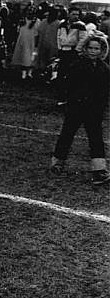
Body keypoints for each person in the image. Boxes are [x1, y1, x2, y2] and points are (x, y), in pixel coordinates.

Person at [50, 33, 110, 186]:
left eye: (96, 48)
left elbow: (104, 91)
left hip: (94, 109)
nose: (93, 51)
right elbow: (69, 85)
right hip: (76, 107)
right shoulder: (77, 64)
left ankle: (99, 169)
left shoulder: (104, 68)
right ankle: (57, 163)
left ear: (102, 50)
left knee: (95, 138)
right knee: (67, 134)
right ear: (85, 48)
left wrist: (100, 107)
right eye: (90, 48)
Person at [11, 11, 40, 79]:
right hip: (26, 41)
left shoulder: (36, 21)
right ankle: (25, 73)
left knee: (30, 56)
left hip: (30, 41)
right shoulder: (23, 21)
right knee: (25, 56)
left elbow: (37, 33)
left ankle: (28, 72)